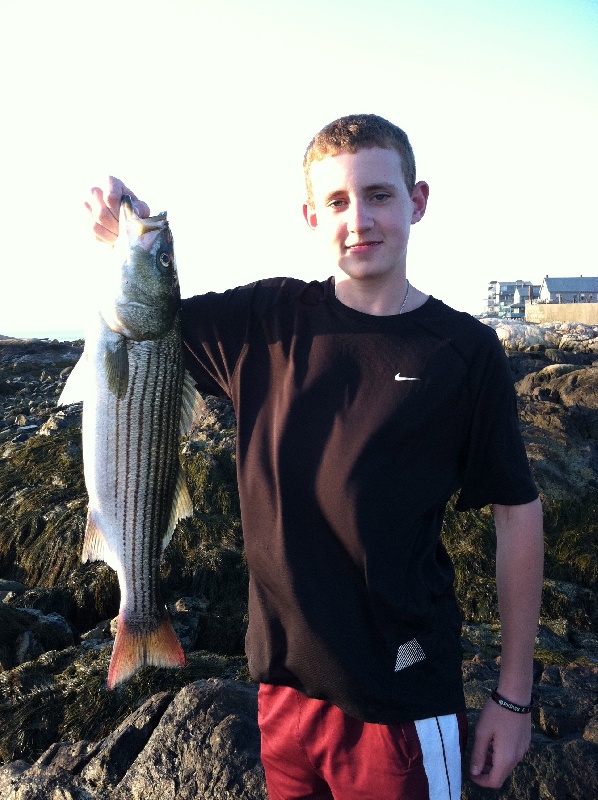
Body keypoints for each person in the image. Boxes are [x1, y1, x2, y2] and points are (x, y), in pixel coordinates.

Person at [85, 113, 544, 799]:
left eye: (378, 195)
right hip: (281, 693)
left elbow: (517, 513)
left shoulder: (463, 352)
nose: (358, 218)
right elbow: (147, 330)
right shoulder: (262, 321)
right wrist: (124, 234)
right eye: (336, 201)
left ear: (416, 201)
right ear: (310, 216)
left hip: (402, 705)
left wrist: (512, 699)